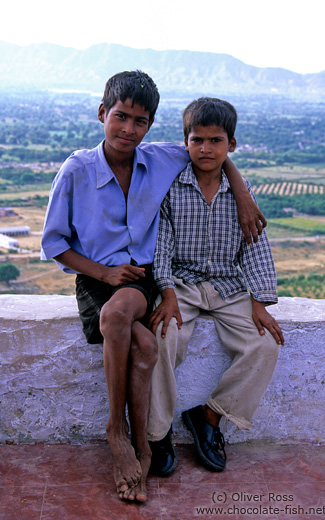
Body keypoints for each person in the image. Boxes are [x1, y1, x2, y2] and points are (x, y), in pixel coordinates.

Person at [41, 72, 266, 503]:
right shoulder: (76, 170)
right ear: (103, 113)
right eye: (120, 117)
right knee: (144, 346)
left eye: (140, 121)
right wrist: (103, 274)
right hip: (96, 278)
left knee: (122, 309)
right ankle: (130, 436)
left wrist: (241, 192)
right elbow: (54, 244)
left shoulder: (160, 158)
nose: (128, 129)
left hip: (141, 279)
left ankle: (127, 436)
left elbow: (210, 150)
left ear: (150, 126)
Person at [148, 97, 284, 477]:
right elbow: (161, 246)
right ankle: (156, 434)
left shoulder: (241, 193)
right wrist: (167, 293)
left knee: (265, 344)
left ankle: (209, 417)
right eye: (197, 140)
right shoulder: (172, 187)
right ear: (185, 142)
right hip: (183, 284)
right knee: (162, 337)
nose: (205, 149)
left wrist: (259, 300)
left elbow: (255, 247)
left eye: (215, 140)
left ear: (231, 145)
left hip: (229, 286)